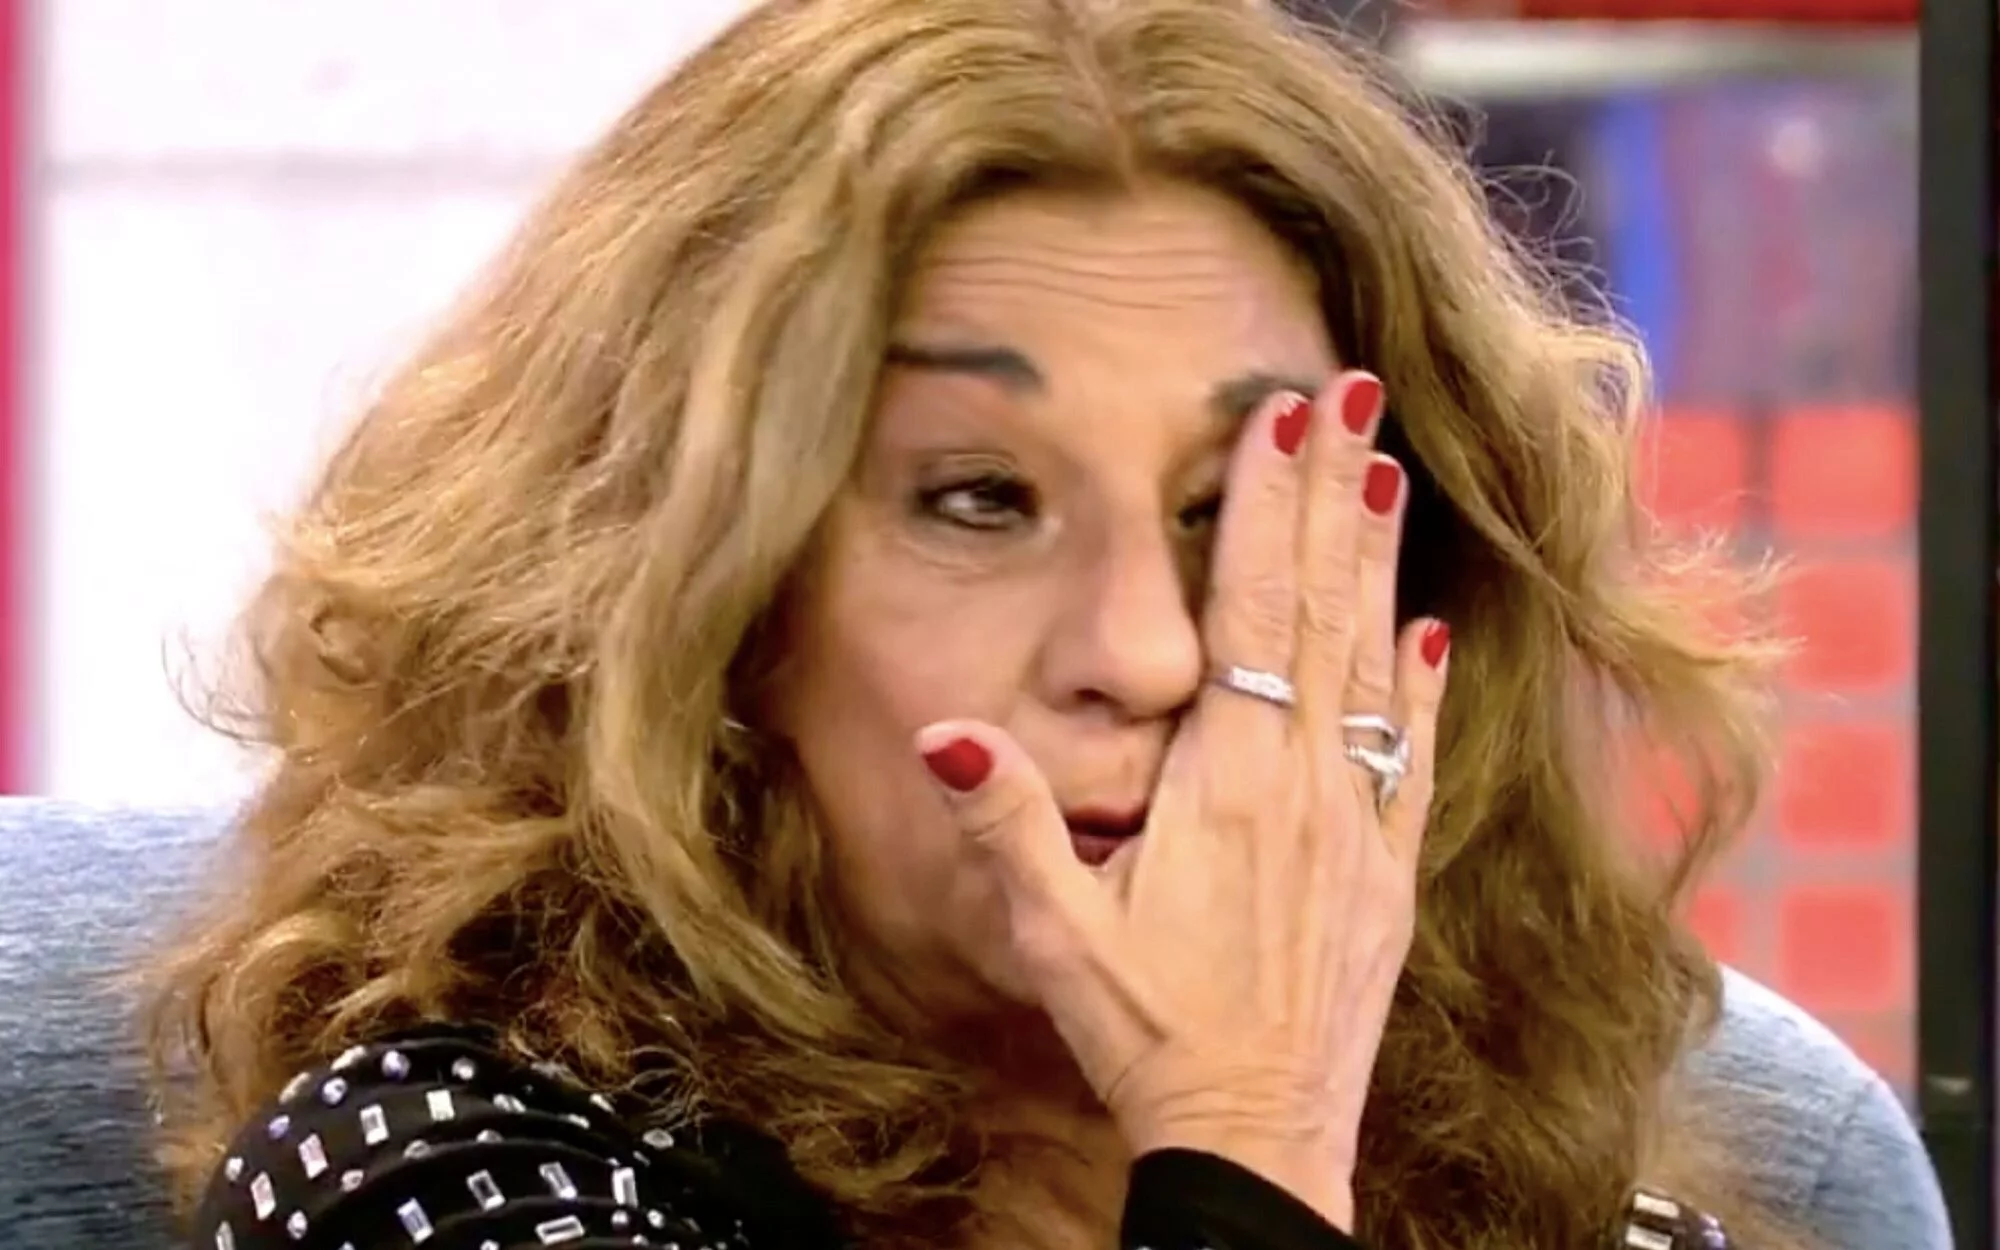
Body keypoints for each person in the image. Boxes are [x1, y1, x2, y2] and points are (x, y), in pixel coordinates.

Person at [141, 1, 1951, 1248]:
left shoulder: (1581, 1216)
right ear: (704, 606)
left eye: (1231, 510)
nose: (1147, 653)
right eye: (980, 500)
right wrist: (1245, 1139)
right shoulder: (428, 1174)